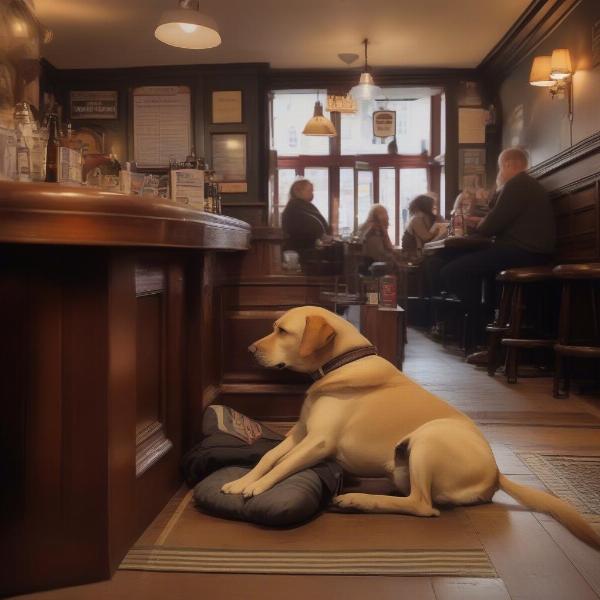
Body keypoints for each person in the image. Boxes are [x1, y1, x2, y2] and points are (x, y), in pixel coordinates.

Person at [438, 147, 555, 307]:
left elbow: (489, 227)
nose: (499, 173)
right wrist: (483, 220)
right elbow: (497, 220)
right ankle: (483, 317)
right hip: (533, 251)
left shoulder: (517, 184)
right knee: (461, 266)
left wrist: (497, 190)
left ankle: (478, 321)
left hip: (525, 253)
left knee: (452, 271)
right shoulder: (527, 184)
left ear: (507, 165)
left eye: (500, 168)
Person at [281, 179, 331, 255]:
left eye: (312, 191)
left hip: (307, 249)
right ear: (298, 191)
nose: (312, 194)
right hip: (300, 252)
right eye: (309, 191)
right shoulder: (295, 207)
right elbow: (307, 226)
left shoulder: (302, 205)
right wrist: (321, 235)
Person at [402, 194, 445, 260]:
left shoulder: (430, 217)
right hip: (414, 255)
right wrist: (439, 229)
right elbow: (426, 237)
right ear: (426, 206)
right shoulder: (416, 219)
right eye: (433, 205)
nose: (435, 207)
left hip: (427, 252)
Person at [357, 204, 398, 271]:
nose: (387, 225)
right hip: (371, 269)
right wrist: (394, 260)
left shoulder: (362, 227)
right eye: (386, 221)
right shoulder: (375, 230)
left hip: (361, 266)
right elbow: (378, 254)